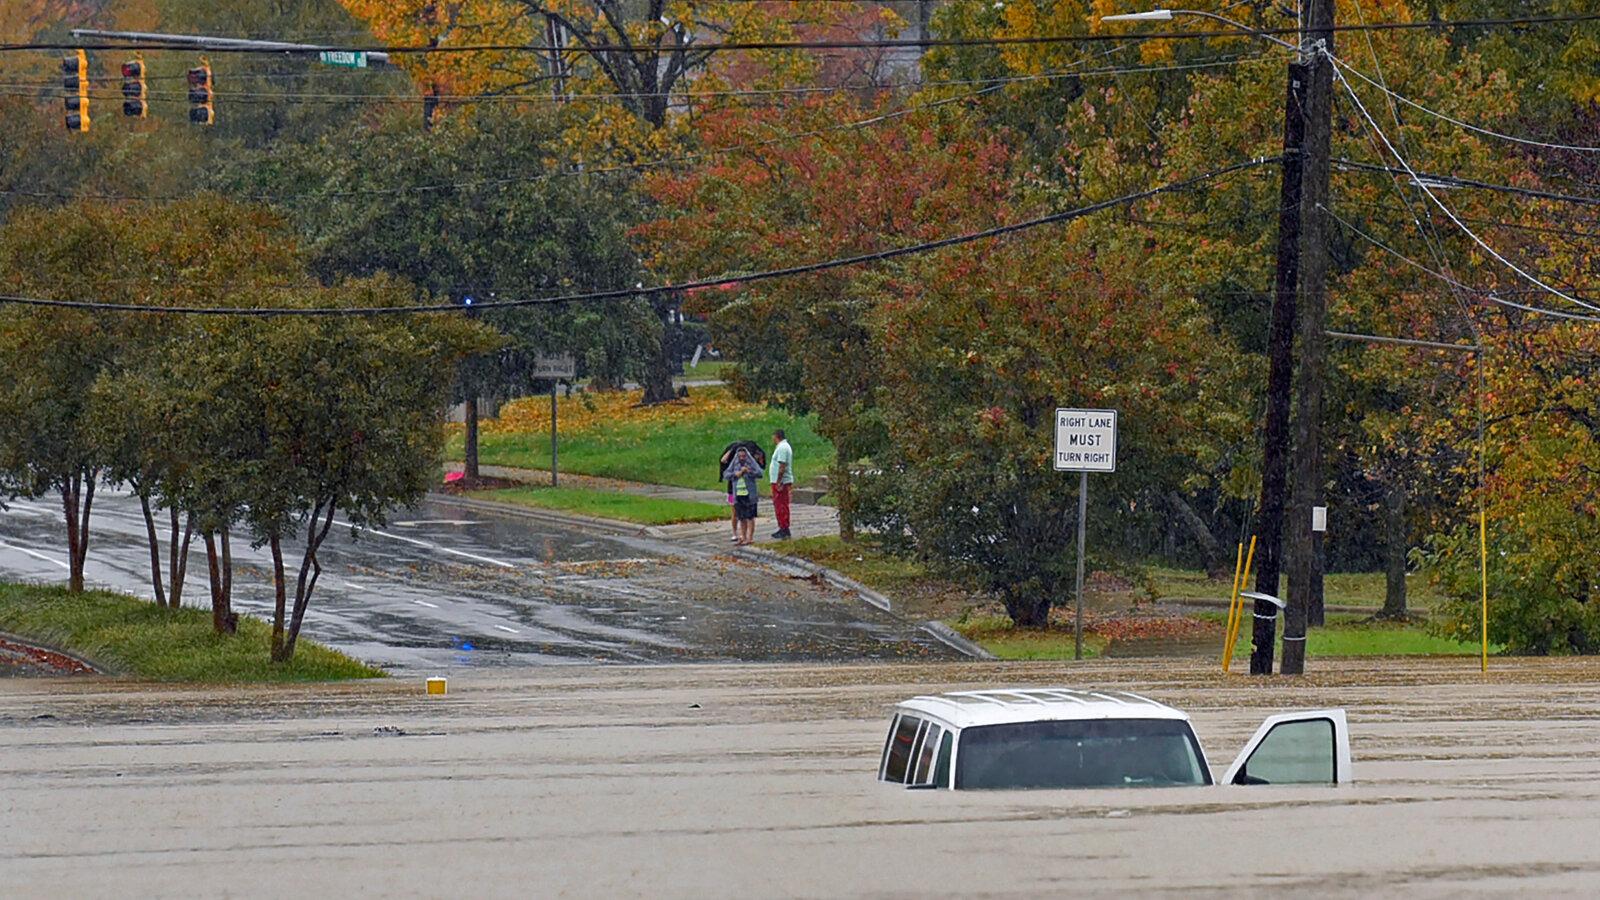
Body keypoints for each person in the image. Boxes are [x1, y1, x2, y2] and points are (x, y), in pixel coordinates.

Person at [719, 441, 766, 544]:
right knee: (741, 516)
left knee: (750, 517)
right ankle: (741, 536)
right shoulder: (734, 464)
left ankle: (750, 538)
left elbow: (760, 473)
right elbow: (726, 474)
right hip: (736, 494)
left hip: (749, 495)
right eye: (740, 456)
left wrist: (749, 472)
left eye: (743, 456)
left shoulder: (751, 463)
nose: (742, 458)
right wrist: (737, 474)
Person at [769, 429, 795, 540]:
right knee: (778, 505)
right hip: (777, 481)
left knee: (781, 505)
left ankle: (784, 528)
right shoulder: (781, 447)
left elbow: (782, 465)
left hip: (781, 481)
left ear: (776, 436)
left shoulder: (783, 448)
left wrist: (779, 480)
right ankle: (782, 526)